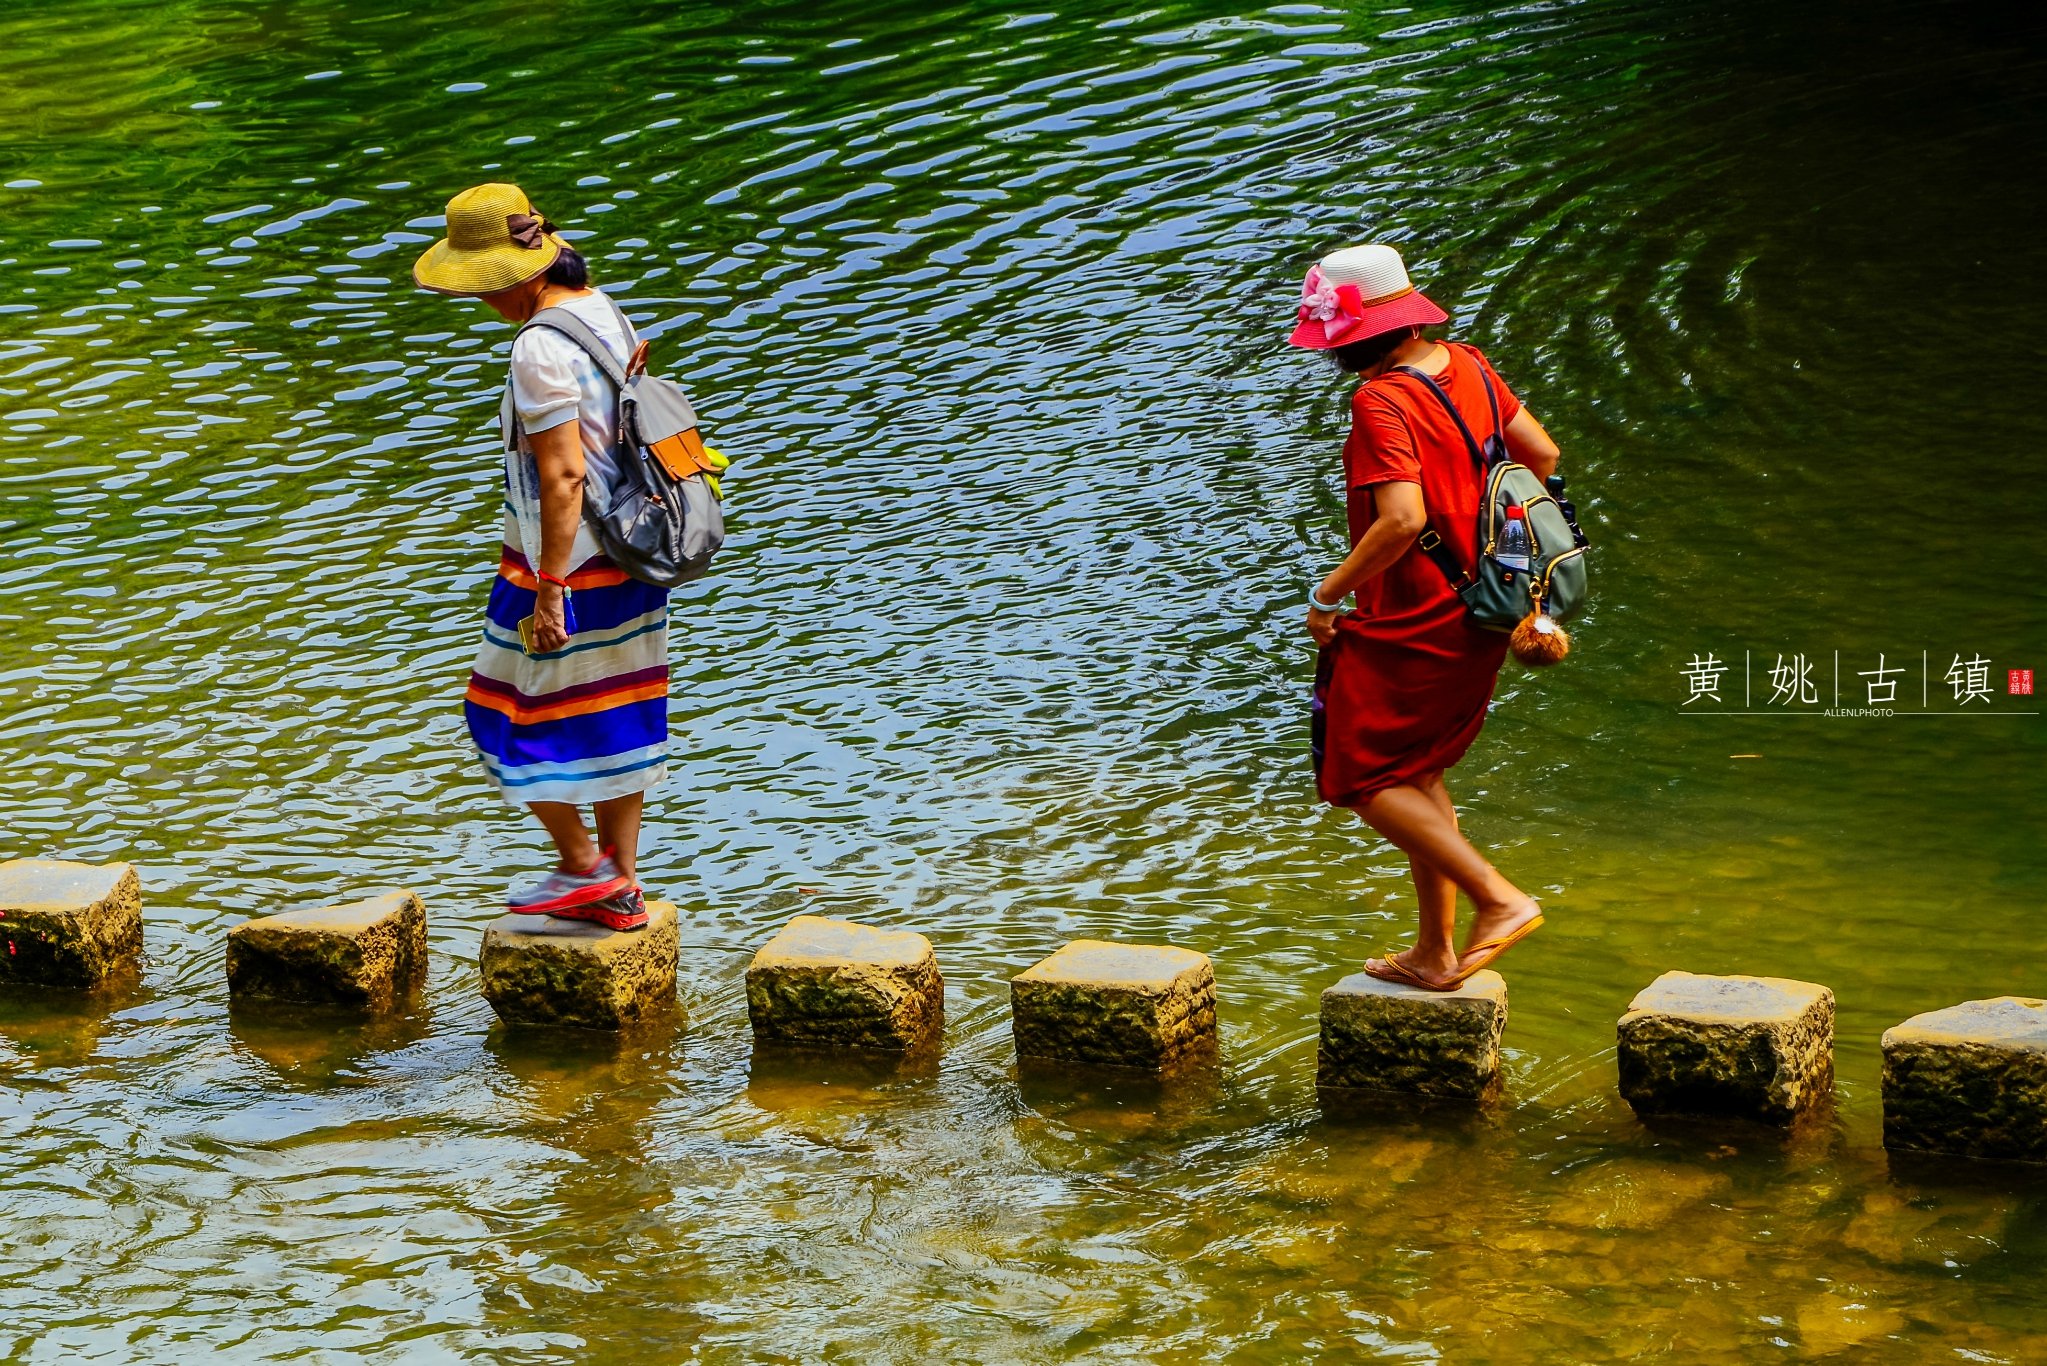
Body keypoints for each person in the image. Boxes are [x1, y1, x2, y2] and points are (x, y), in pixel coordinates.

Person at [1291, 244, 1560, 990]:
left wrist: (1327, 594)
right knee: (1418, 771)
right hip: (1486, 603)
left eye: (1334, 337)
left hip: (1416, 614)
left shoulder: (1379, 400)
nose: (1331, 352)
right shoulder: (1468, 363)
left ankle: (1498, 899)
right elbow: (1539, 454)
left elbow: (1400, 520)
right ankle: (1435, 954)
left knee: (1360, 773)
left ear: (1356, 334)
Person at [412, 183, 668, 931]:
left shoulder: (537, 347)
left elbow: (562, 474)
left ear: (519, 274)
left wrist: (549, 586)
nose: (481, 300)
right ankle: (619, 882)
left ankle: (583, 867)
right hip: (632, 545)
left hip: (564, 560)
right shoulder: (603, 309)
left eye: (484, 283)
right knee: (615, 710)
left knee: (498, 714)